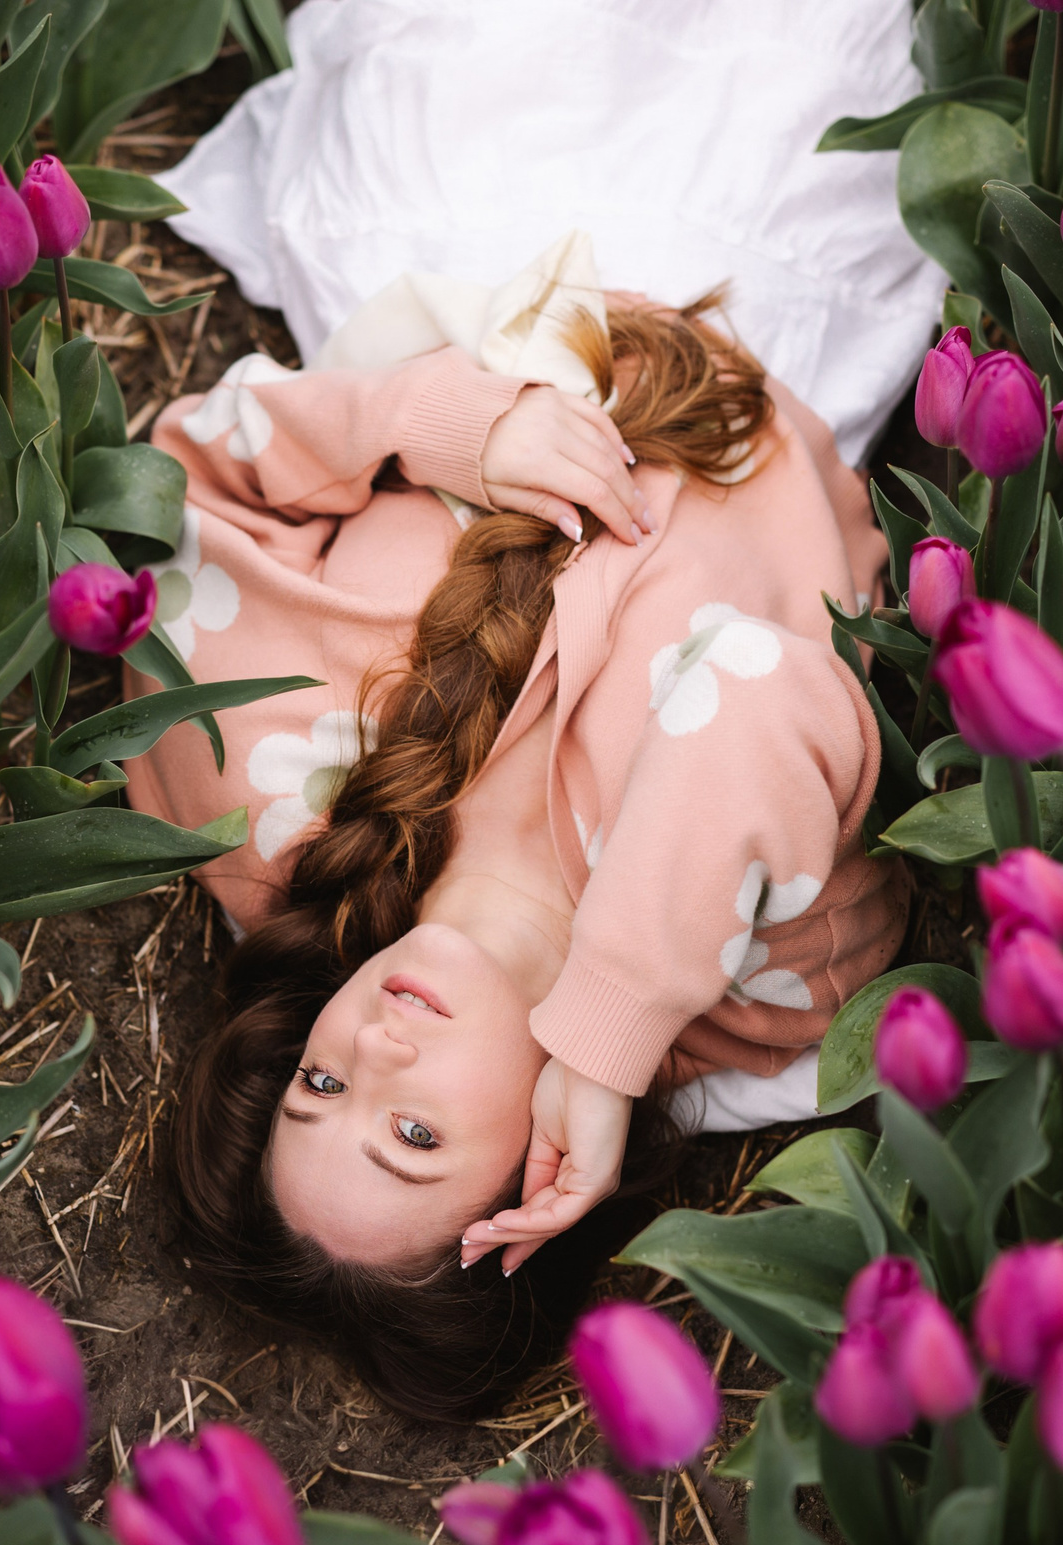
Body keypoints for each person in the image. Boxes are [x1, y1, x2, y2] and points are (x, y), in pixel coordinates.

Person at [123, 285, 905, 1420]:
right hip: (773, 324)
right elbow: (764, 691)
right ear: (543, 1166)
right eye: (413, 1132)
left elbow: (166, 492)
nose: (375, 1045)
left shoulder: (274, 812)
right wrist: (603, 1038)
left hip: (493, 264)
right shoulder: (752, 977)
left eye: (321, 1082)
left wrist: (437, 423)